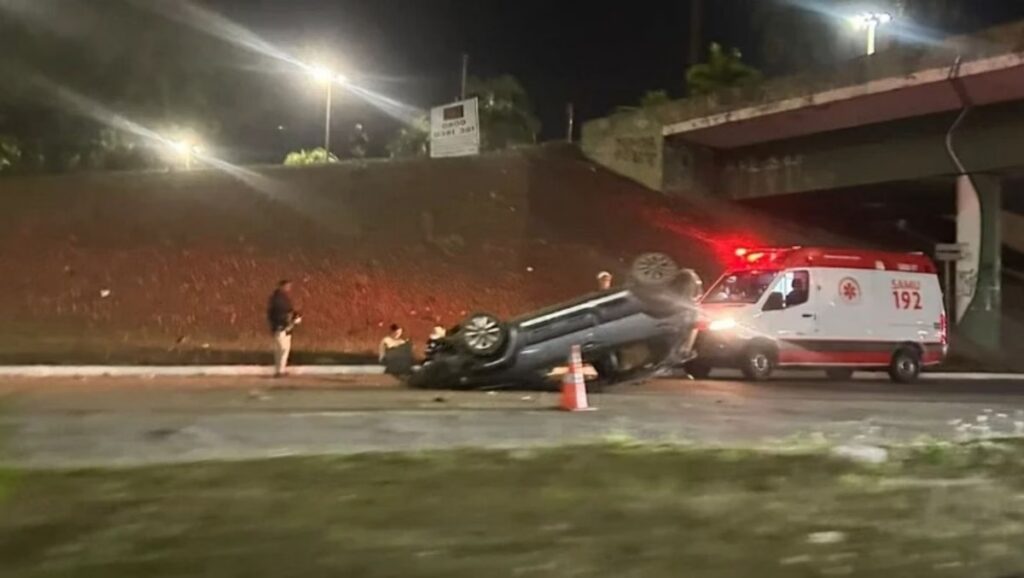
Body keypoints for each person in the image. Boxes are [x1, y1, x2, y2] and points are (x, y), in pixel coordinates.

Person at [267, 280, 300, 377]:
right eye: (286, 286)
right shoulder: (277, 299)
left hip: (286, 327)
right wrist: (288, 318)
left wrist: (294, 316)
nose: (288, 288)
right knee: (282, 348)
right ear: (281, 286)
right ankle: (279, 370)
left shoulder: (285, 298)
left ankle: (281, 369)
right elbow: (276, 313)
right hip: (280, 326)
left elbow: (289, 311)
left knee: (284, 349)